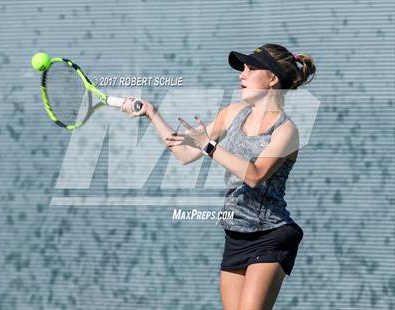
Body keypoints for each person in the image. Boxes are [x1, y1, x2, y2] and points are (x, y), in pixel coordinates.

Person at [120, 43, 316, 310]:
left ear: (272, 79)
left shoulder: (286, 131)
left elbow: (255, 175)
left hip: (272, 234)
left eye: (250, 69)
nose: (241, 75)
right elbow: (185, 153)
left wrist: (209, 146)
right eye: (242, 69)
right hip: (236, 233)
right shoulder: (232, 113)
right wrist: (151, 113)